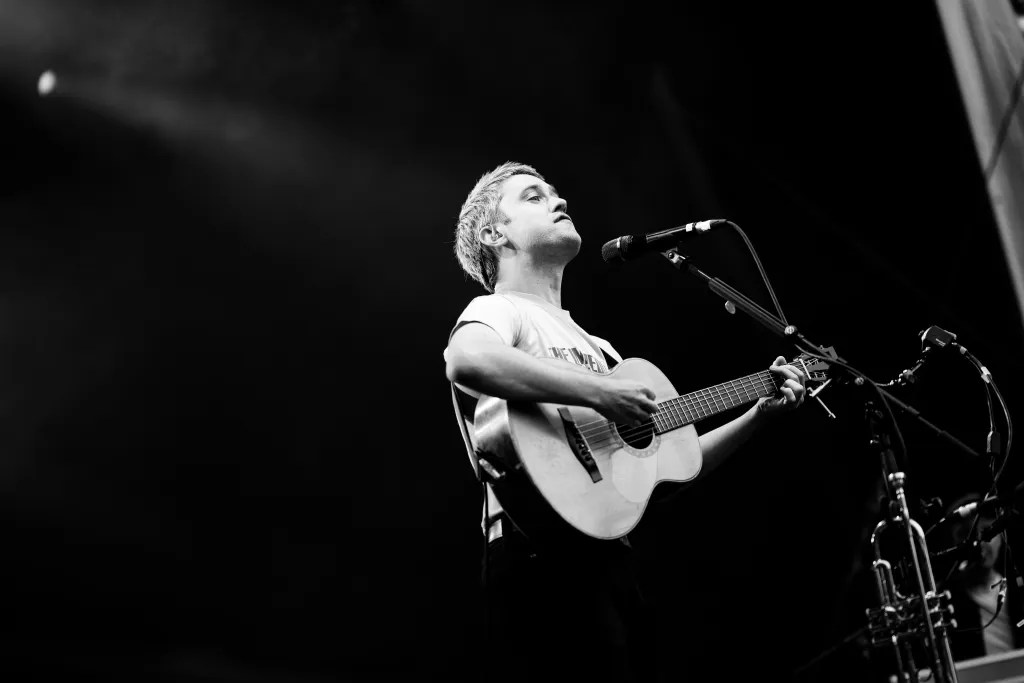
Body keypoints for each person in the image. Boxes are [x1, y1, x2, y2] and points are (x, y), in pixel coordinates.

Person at [443, 161, 807, 682]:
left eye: (554, 191)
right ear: (493, 234)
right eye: (533, 197)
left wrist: (758, 413)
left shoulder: (601, 349)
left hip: (609, 560)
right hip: (537, 554)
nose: (558, 199)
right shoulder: (503, 310)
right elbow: (467, 359)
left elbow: (672, 470)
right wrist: (602, 393)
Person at [943, 493, 1024, 662]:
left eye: (987, 532)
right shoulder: (945, 599)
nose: (979, 542)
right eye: (966, 534)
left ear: (1001, 537)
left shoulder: (1018, 587)